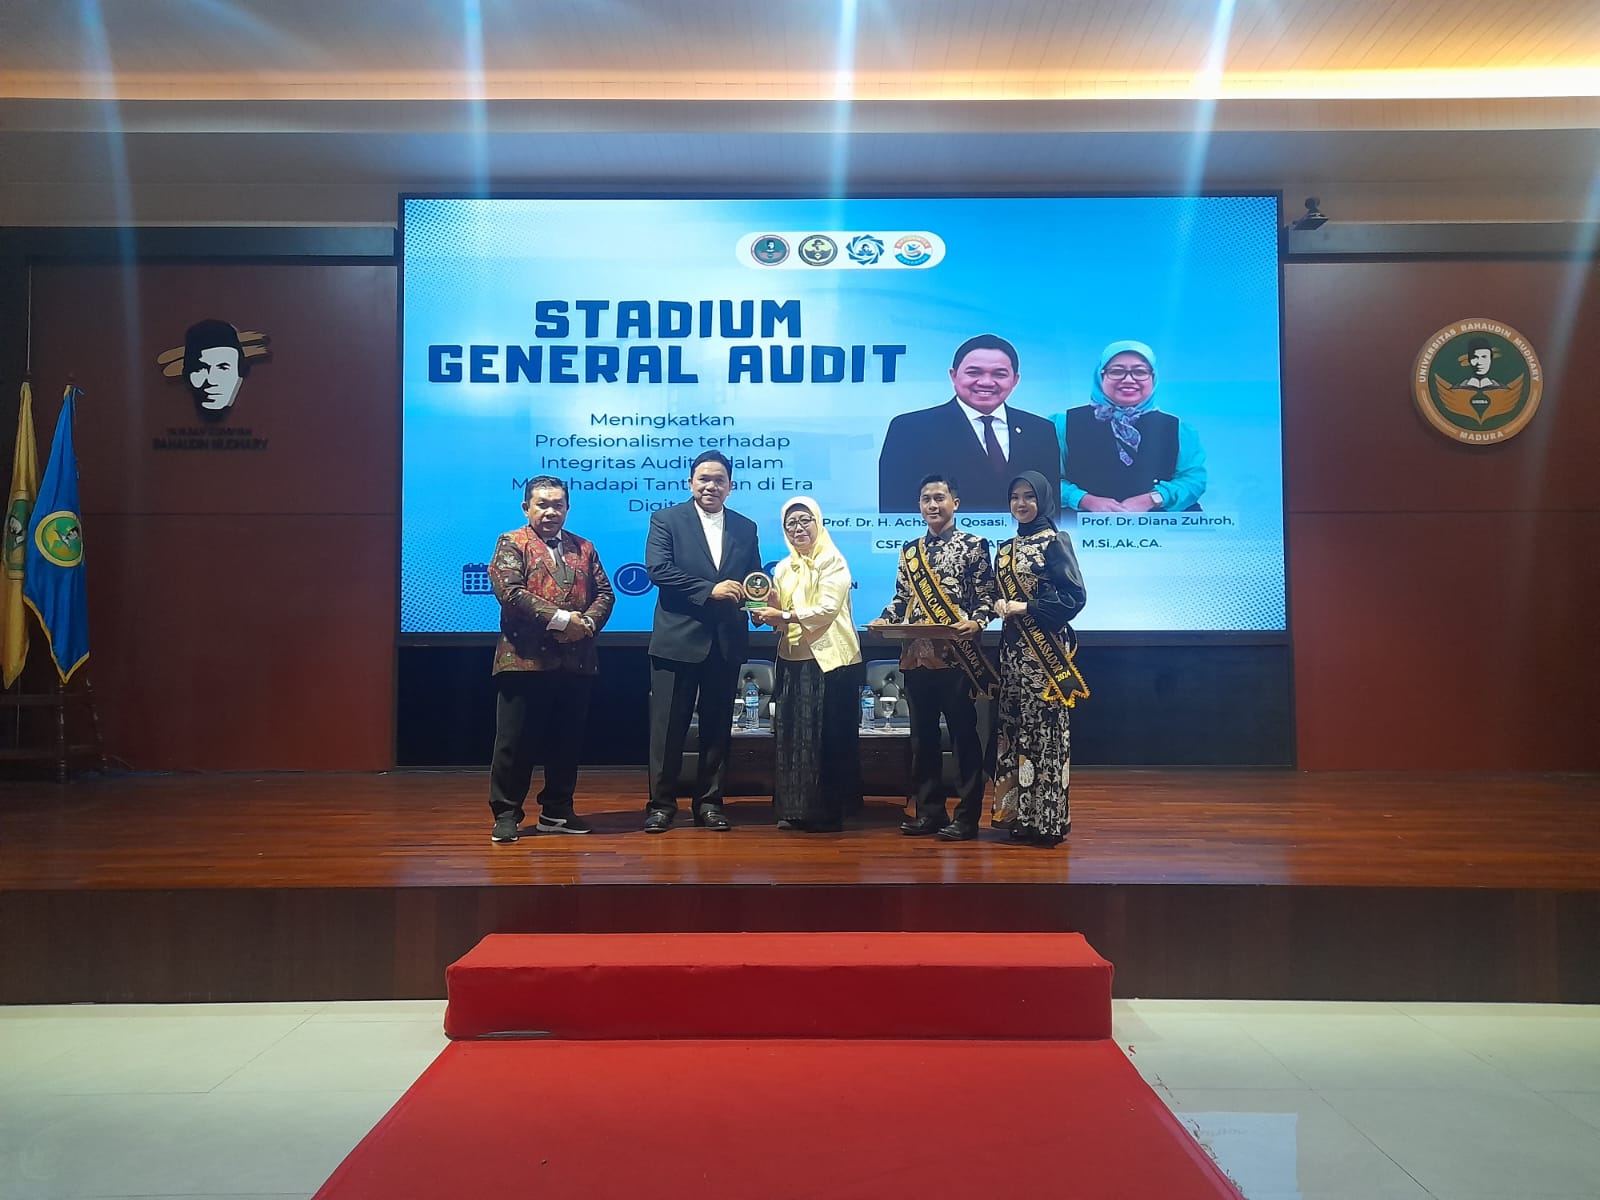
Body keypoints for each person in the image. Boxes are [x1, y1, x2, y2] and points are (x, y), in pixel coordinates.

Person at [868, 474, 998, 842]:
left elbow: (985, 597)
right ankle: (929, 812)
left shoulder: (975, 545)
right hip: (916, 658)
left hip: (957, 659)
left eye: (940, 498)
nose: (933, 505)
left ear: (955, 503)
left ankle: (967, 816)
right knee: (922, 739)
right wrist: (886, 619)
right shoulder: (909, 551)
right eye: (926, 499)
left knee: (963, 738)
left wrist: (977, 621)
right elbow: (901, 599)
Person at [486, 475, 615, 844]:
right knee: (515, 744)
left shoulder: (584, 547)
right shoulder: (512, 542)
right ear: (527, 507)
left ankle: (557, 812)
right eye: (542, 504)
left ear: (567, 508)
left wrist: (586, 624)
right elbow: (509, 591)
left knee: (566, 742)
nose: (550, 511)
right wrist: (562, 620)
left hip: (576, 662)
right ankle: (507, 813)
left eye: (557, 504)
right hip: (523, 661)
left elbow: (605, 592)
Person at [643, 450, 762, 833]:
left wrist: (761, 595)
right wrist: (710, 590)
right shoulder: (666, 520)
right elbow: (658, 570)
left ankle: (709, 803)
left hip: (725, 642)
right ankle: (661, 806)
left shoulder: (746, 527)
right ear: (690, 482)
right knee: (668, 731)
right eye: (703, 479)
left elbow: (753, 577)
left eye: (719, 480)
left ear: (731, 486)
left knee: (717, 730)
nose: (711, 485)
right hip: (677, 641)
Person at [750, 497, 864, 833]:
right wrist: (768, 607)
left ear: (818, 522)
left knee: (826, 737)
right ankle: (794, 807)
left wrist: (783, 614)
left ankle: (827, 812)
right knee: (793, 737)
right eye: (791, 524)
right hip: (793, 658)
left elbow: (827, 609)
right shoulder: (783, 567)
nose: (798, 528)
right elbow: (782, 616)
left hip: (830, 661)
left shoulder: (833, 561)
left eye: (804, 520)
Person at [991, 470, 1088, 847]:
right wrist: (1000, 604)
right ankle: (1020, 817)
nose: (1021, 504)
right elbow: (1000, 597)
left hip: (1044, 657)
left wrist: (1026, 606)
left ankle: (1048, 821)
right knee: (1016, 732)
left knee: (1044, 735)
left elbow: (1073, 598)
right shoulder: (1004, 549)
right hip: (1013, 655)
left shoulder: (1055, 541)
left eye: (1029, 496)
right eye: (1015, 496)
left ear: (1043, 499)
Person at [878, 334, 1061, 512]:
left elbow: (1049, 506)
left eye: (999, 374)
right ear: (953, 375)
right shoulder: (909, 429)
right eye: (974, 372)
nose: (986, 382)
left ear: (1015, 380)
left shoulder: (1040, 430)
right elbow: (896, 509)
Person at [1060, 340, 1207, 514]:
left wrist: (1154, 498)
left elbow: (1192, 479)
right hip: (1079, 531)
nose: (1128, 379)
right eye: (1117, 371)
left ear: (1153, 377)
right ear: (1101, 376)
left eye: (1139, 371)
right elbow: (1044, 478)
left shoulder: (1179, 430)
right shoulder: (1063, 424)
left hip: (1163, 531)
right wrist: (1084, 500)